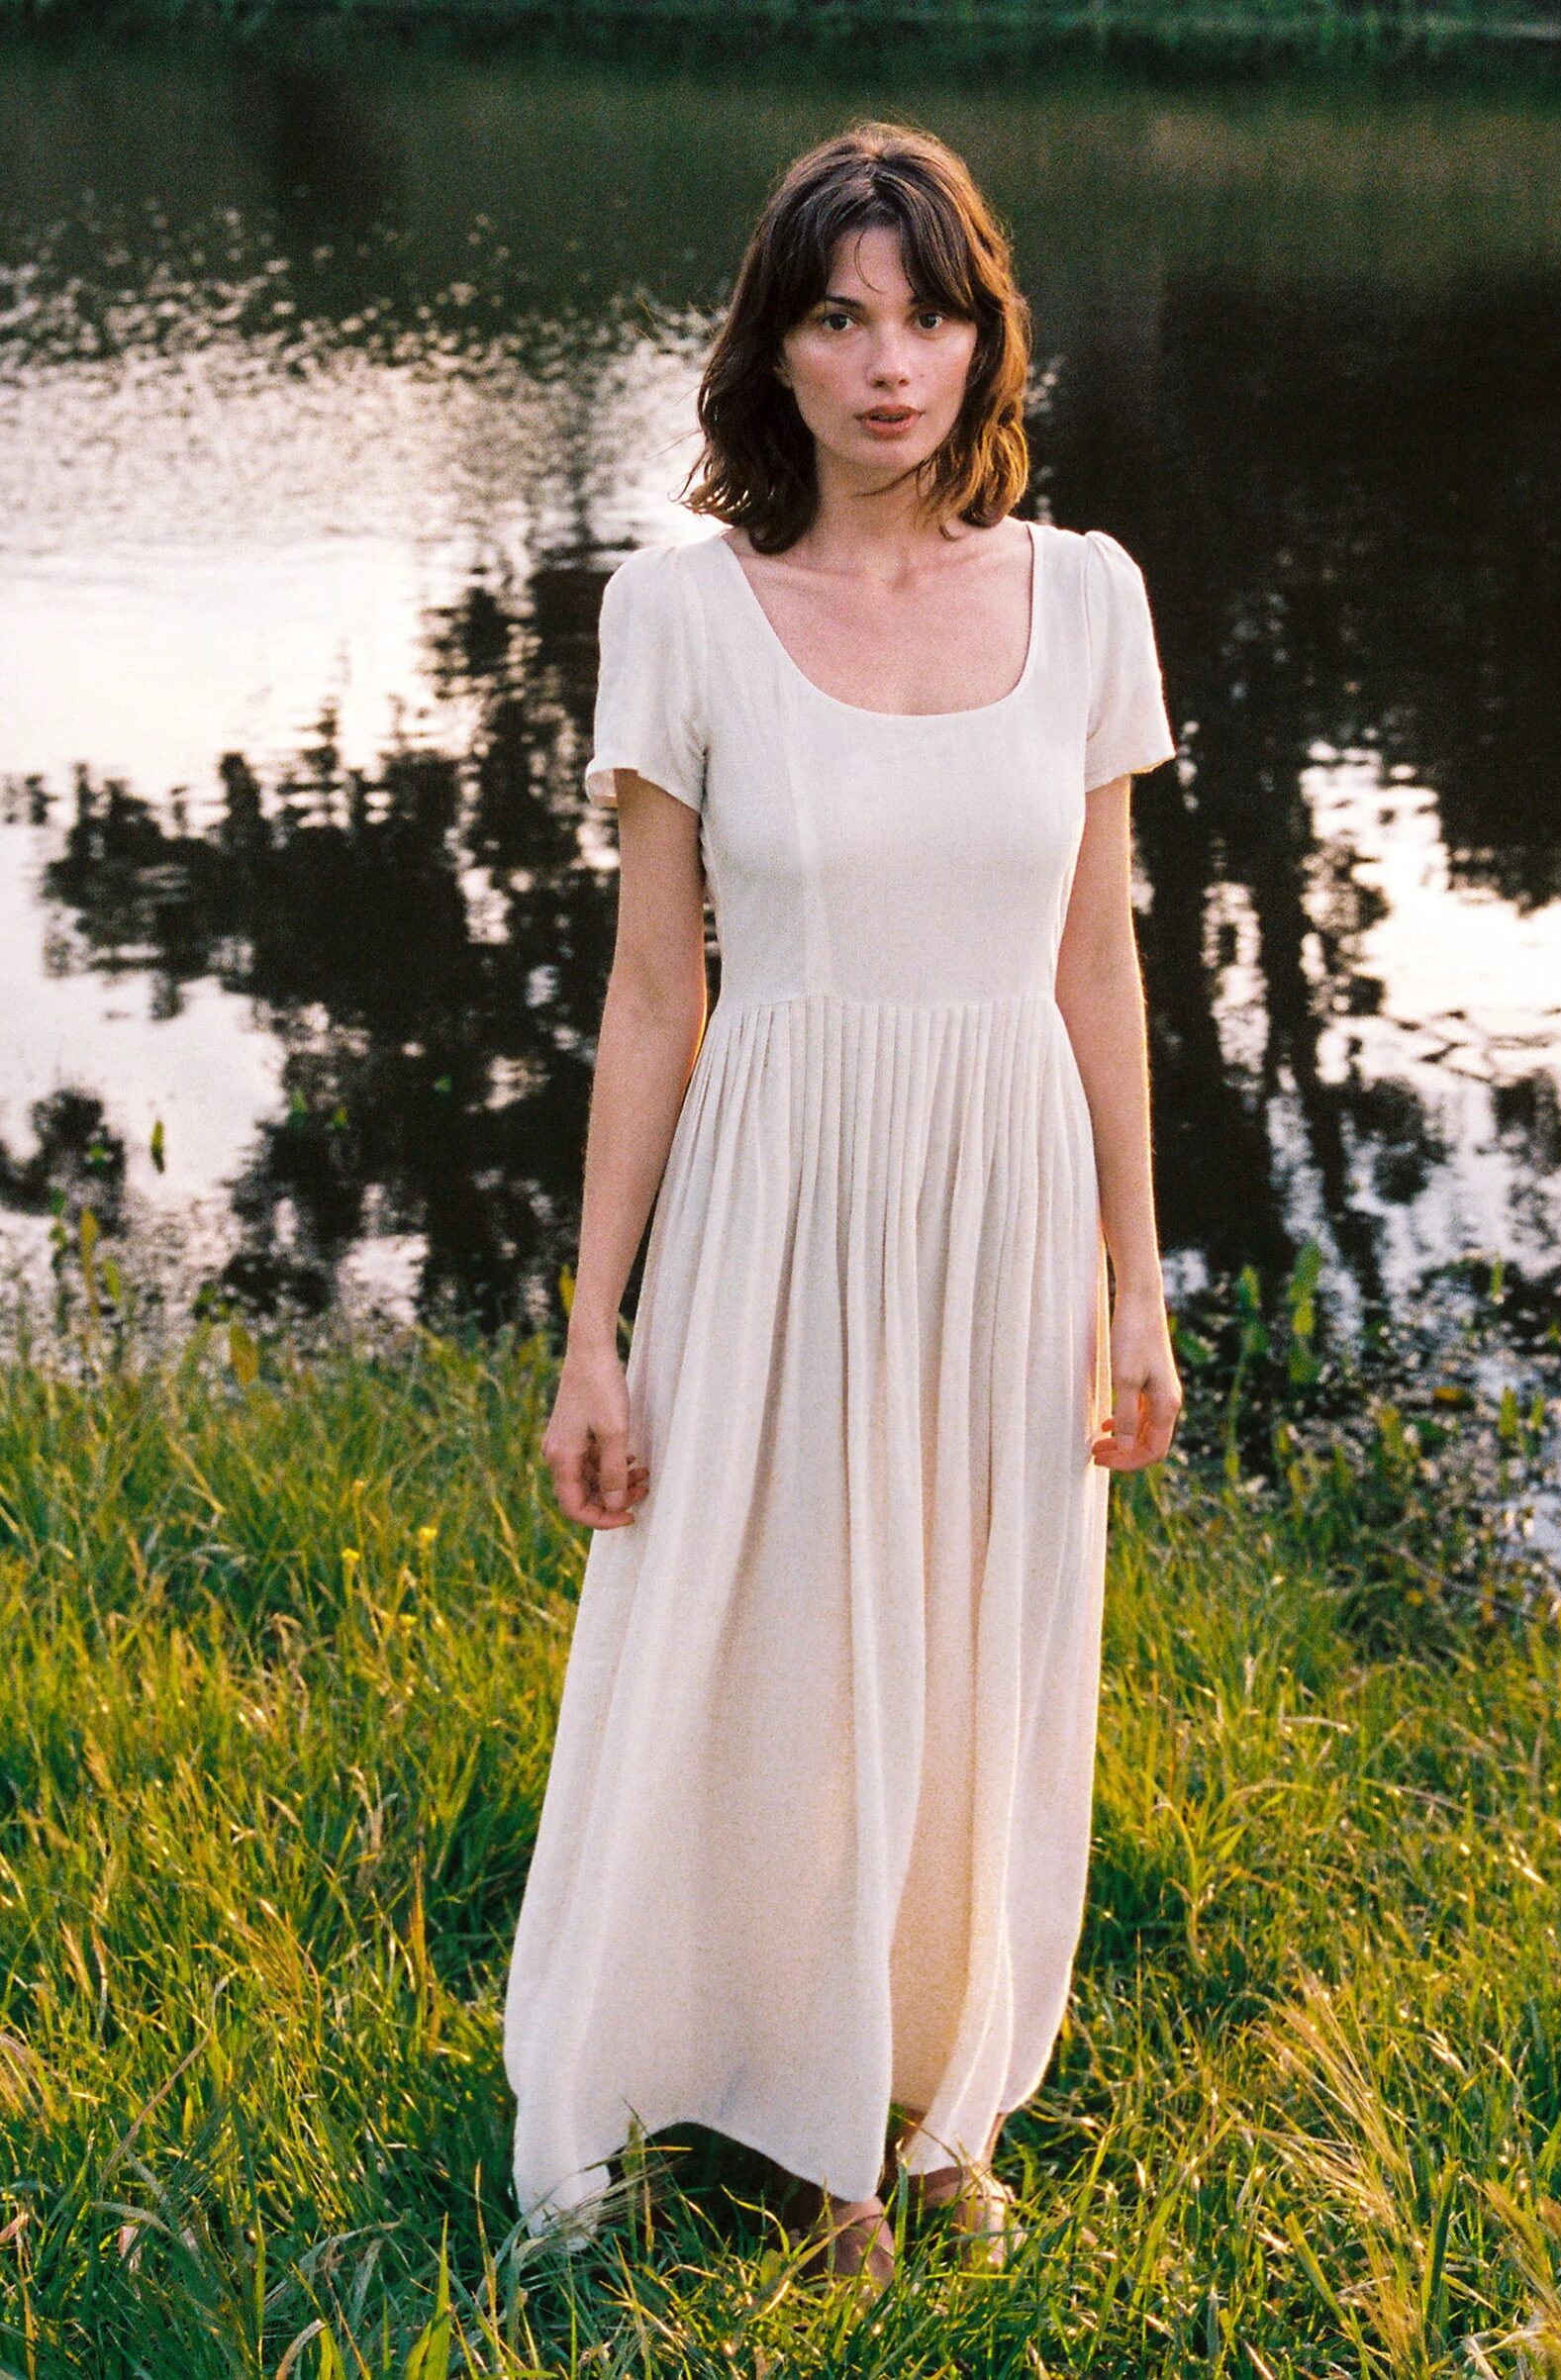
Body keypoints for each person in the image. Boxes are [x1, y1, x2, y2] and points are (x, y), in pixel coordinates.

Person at [502, 118, 1184, 2294]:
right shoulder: (680, 609)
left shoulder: (1082, 593)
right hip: (774, 1208)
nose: (890, 366)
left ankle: (938, 2094)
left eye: (930, 315)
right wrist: (594, 1329)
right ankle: (789, 2118)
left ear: (986, 341)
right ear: (771, 352)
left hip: (1001, 1200)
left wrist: (1132, 1286)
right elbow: (647, 994)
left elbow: (1098, 966)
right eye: (837, 317)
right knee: (770, 1643)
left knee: (982, 1644)